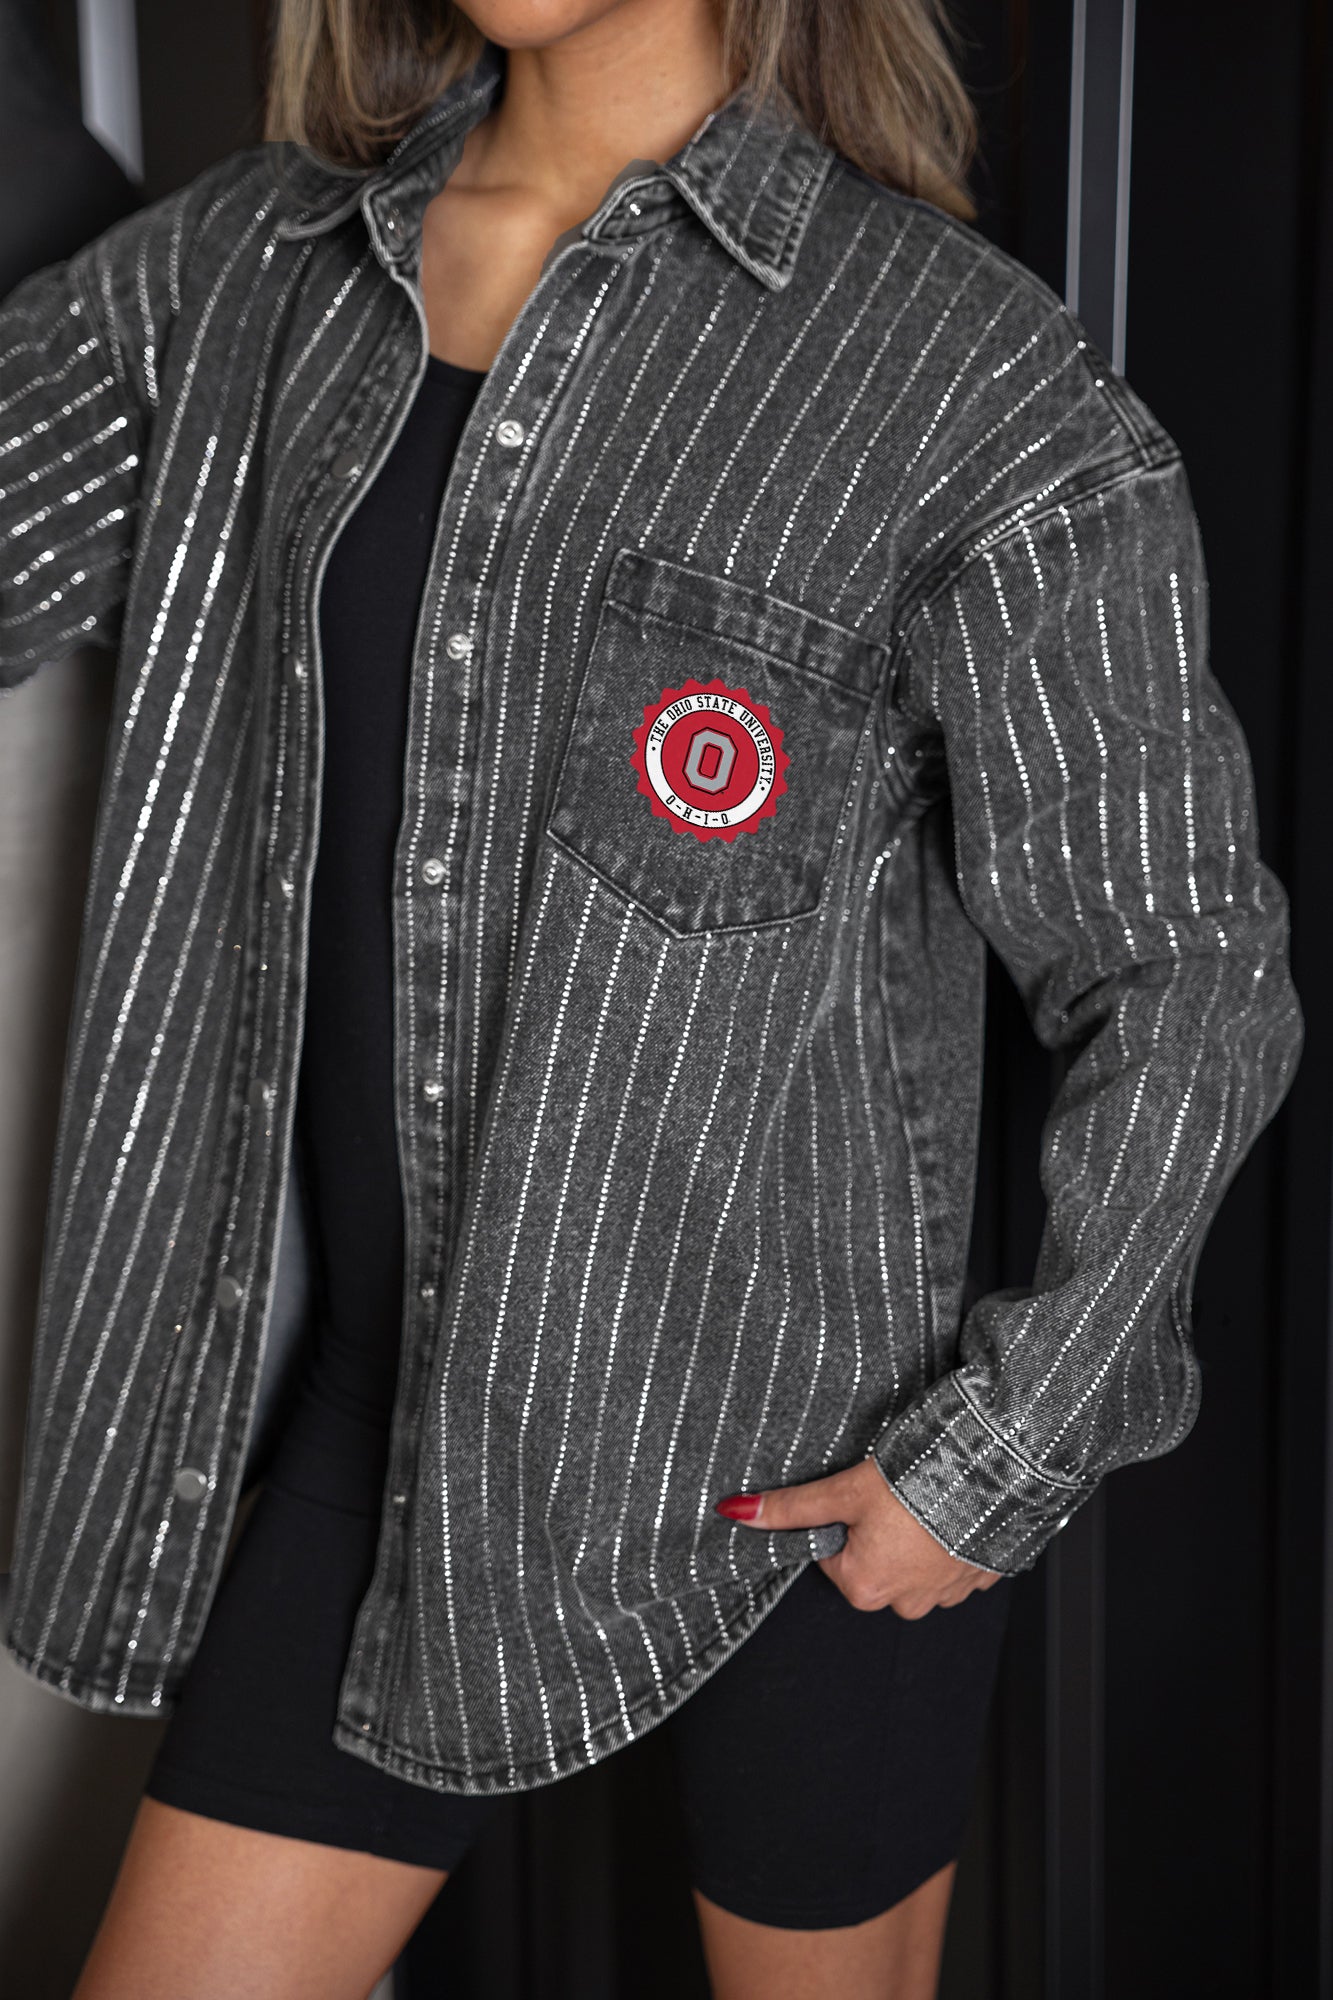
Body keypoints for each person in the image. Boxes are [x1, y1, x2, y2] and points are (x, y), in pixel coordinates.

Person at [0, 0, 1303, 1995]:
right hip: (381, 1439)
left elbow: (1185, 969)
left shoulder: (949, 367)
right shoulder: (246, 270)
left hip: (793, 1488)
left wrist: (993, 1458)